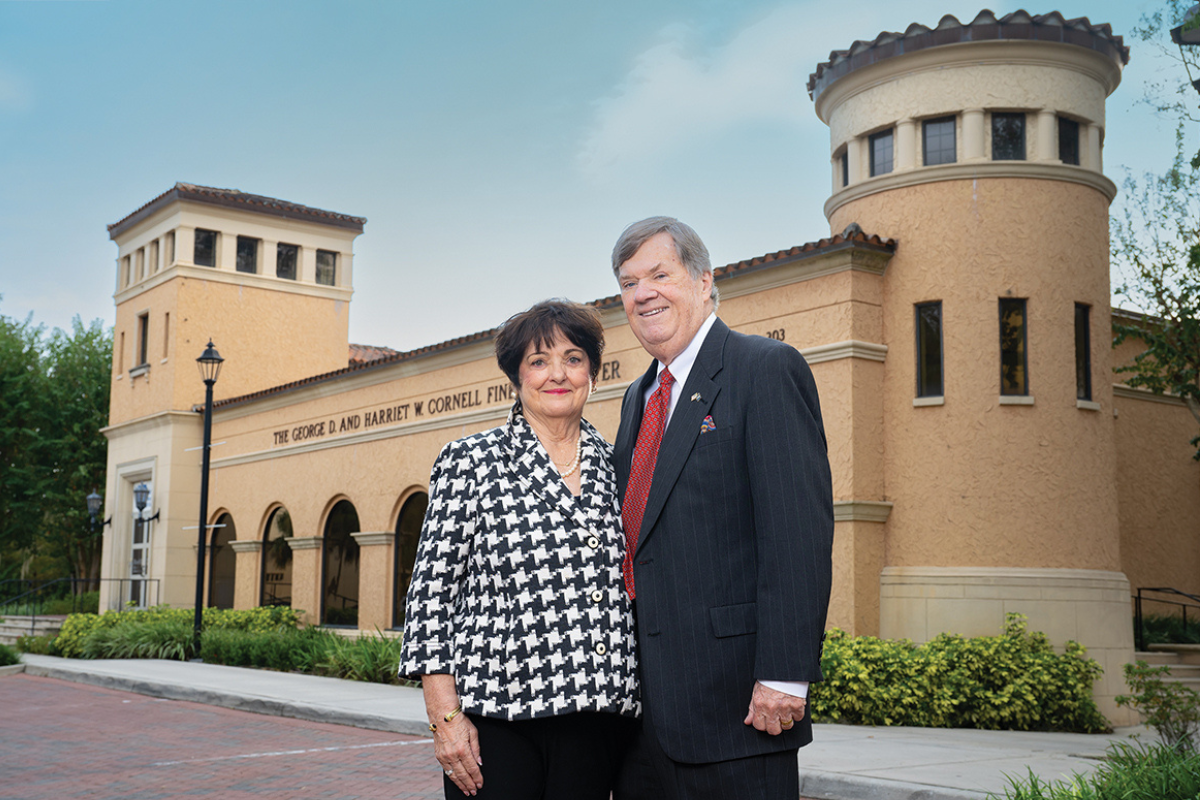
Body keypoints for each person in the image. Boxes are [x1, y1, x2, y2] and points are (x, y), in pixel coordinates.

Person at [609, 217, 833, 799]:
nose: (643, 293)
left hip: (738, 710)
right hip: (641, 720)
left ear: (705, 280)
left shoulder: (764, 368)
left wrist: (784, 676)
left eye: (660, 274)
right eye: (628, 283)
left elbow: (797, 533)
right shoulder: (639, 397)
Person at [398, 299, 639, 800]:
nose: (558, 374)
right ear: (516, 376)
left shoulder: (619, 468)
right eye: (539, 360)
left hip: (595, 720)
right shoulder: (471, 461)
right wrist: (444, 718)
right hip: (497, 720)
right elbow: (430, 602)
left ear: (593, 373)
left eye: (574, 358)